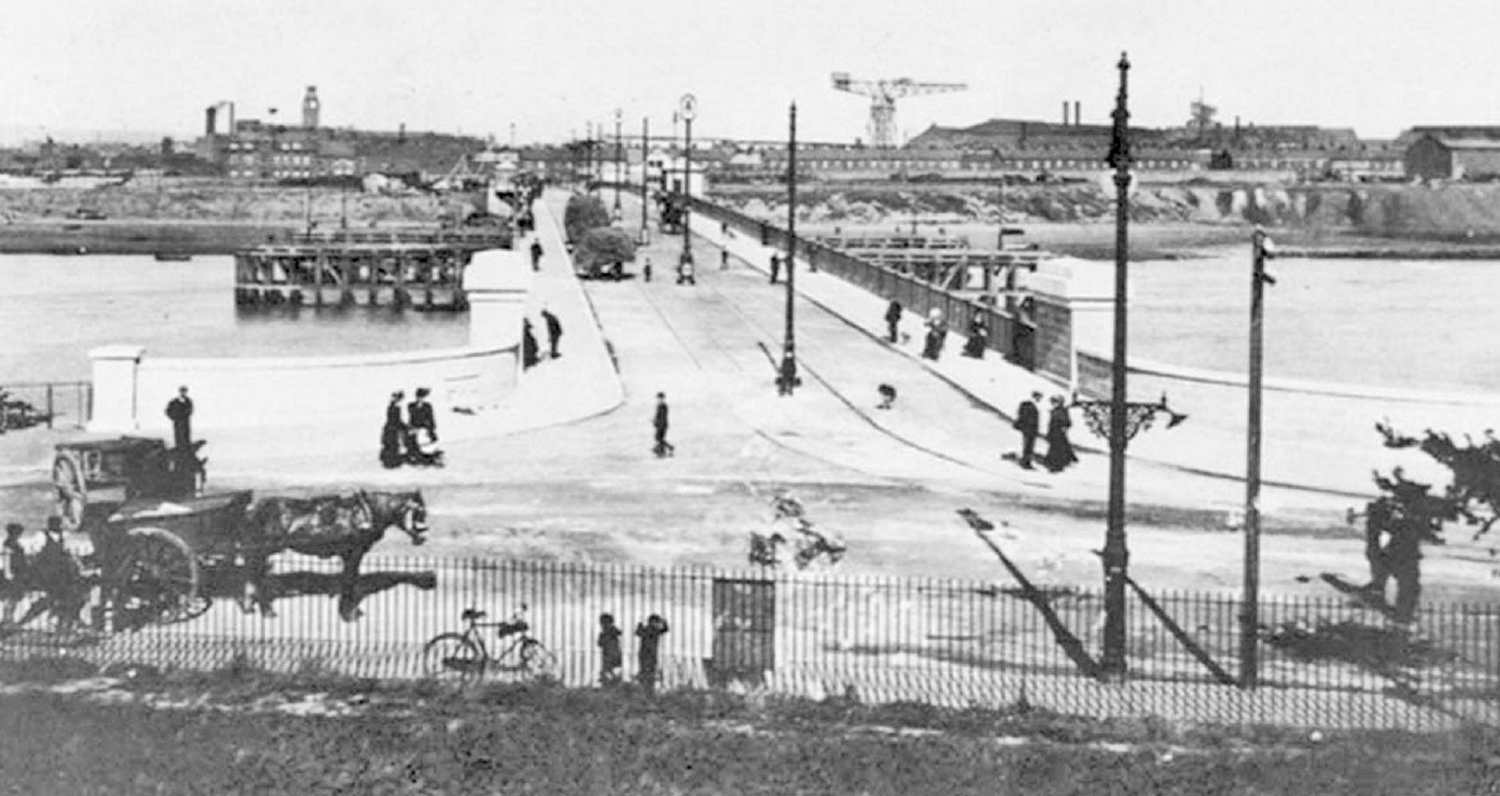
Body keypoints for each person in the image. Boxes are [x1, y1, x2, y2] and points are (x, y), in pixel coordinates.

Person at [1041, 395, 1078, 473]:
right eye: (1053, 402)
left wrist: (1064, 427)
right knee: (1055, 449)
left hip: (1059, 433)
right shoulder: (1054, 411)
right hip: (1053, 433)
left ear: (1060, 402)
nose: (1053, 404)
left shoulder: (1062, 411)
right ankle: (1053, 464)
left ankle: (1056, 466)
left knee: (1057, 450)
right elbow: (1051, 423)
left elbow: (1068, 422)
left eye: (1055, 402)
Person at [635, 613, 669, 691]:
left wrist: (639, 626)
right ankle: (647, 688)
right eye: (656, 622)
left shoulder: (651, 629)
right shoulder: (653, 630)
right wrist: (664, 622)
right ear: (652, 621)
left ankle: (646, 688)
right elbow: (665, 629)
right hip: (647, 654)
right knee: (648, 672)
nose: (657, 624)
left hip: (647, 654)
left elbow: (638, 633)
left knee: (647, 672)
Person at [1013, 391, 1042, 469]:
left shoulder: (1028, 405)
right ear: (1035, 397)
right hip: (1029, 429)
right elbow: (1024, 416)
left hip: (1030, 429)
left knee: (1029, 446)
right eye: (1039, 397)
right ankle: (1025, 462)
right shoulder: (1029, 405)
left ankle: (1026, 461)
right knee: (1028, 446)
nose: (1040, 399)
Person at [380, 390, 406, 468]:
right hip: (392, 429)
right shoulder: (394, 407)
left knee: (392, 444)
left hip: (391, 428)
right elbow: (395, 419)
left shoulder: (393, 406)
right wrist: (403, 427)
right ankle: (391, 462)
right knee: (392, 444)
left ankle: (390, 461)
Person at [598, 613, 623, 685]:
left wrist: (609, 632)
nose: (604, 625)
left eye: (606, 623)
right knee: (607, 671)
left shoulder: (613, 631)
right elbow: (600, 643)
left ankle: (614, 681)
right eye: (602, 623)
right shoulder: (603, 633)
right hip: (607, 656)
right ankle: (610, 681)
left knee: (612, 671)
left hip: (614, 655)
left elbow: (619, 632)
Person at [165, 386, 193, 450]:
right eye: (182, 391)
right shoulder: (174, 401)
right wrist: (174, 417)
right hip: (177, 423)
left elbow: (190, 410)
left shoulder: (188, 401)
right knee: (178, 437)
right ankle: (179, 450)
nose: (183, 393)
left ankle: (187, 451)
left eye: (184, 391)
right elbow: (168, 411)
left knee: (186, 437)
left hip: (185, 422)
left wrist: (183, 415)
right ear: (179, 392)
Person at [652, 392, 675, 458]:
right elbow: (658, 415)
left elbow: (662, 417)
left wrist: (658, 423)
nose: (658, 399)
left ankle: (668, 447)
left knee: (658, 437)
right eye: (658, 398)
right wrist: (655, 421)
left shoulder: (663, 406)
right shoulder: (660, 405)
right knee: (660, 438)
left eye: (659, 398)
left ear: (662, 398)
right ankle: (660, 449)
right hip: (661, 424)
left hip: (662, 425)